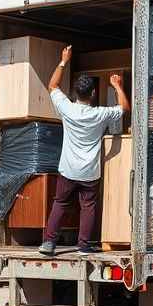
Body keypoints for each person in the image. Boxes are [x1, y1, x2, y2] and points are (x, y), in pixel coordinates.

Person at [39, 45, 131, 256]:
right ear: (94, 93)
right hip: (90, 171)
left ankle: (49, 243)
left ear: (75, 93)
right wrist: (116, 86)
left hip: (68, 169)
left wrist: (64, 60)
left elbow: (52, 85)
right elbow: (125, 108)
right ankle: (83, 245)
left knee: (60, 203)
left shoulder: (67, 108)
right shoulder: (99, 114)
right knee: (87, 206)